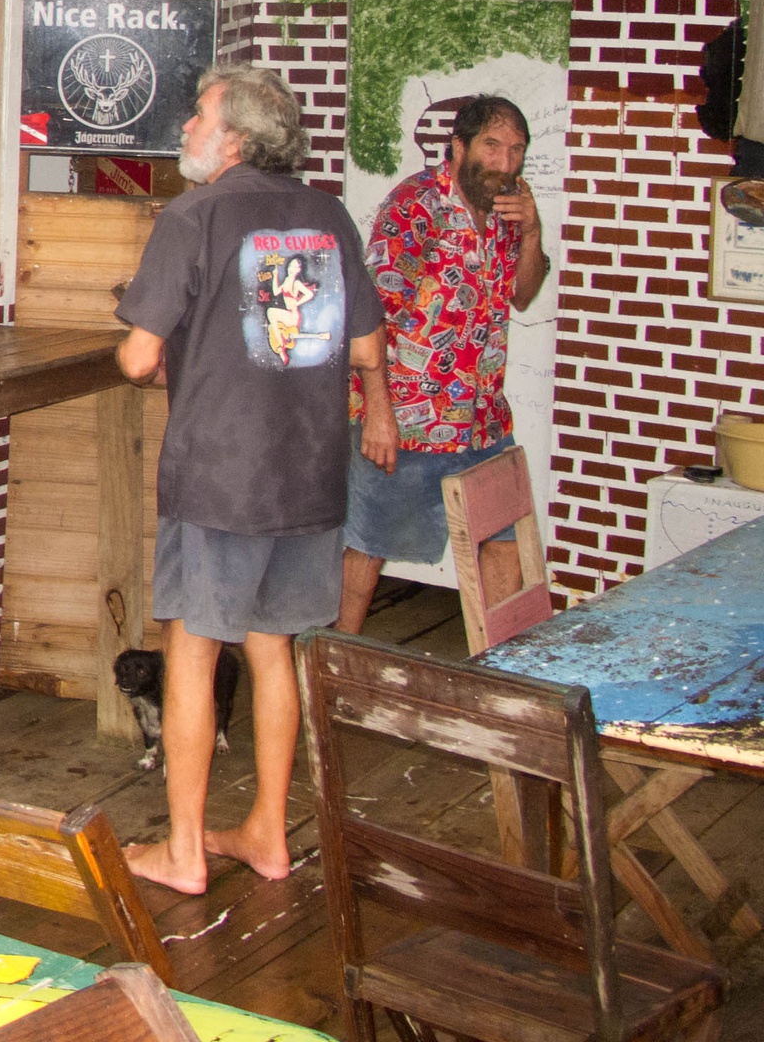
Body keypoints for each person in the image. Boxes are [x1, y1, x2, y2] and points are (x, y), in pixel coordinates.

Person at [113, 66, 389, 895]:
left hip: (221, 475)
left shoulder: (192, 215)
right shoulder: (329, 216)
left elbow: (137, 359)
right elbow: (366, 346)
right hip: (310, 474)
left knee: (193, 651)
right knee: (274, 650)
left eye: (199, 115)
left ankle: (185, 851)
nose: (186, 128)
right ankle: (268, 831)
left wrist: (149, 335)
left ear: (233, 137)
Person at [337, 96, 550, 633]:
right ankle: (330, 659)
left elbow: (523, 294)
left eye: (516, 150)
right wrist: (378, 413)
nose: (505, 162)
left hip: (483, 418)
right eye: (492, 146)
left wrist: (532, 233)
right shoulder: (415, 206)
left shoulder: (508, 207)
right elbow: (370, 315)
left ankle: (501, 665)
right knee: (367, 547)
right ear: (458, 146)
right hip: (407, 417)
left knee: (503, 540)